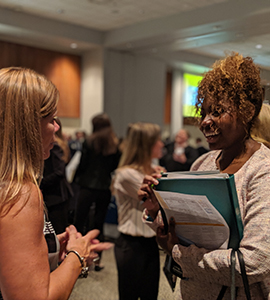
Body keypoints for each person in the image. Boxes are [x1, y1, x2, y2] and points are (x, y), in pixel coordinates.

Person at [139, 53, 270, 299]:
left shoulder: (263, 171)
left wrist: (178, 253)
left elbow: (253, 263)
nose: (205, 122)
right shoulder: (203, 163)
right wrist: (159, 211)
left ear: (248, 111)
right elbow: (178, 232)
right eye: (204, 112)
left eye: (217, 112)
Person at [0, 67, 112, 300]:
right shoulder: (18, 193)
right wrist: (77, 255)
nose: (58, 128)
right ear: (27, 127)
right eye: (52, 119)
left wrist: (46, 247)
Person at [113, 122, 164, 300]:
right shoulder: (126, 174)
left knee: (151, 295)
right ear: (146, 145)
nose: (162, 144)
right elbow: (160, 198)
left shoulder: (151, 171)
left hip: (149, 243)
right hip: (130, 245)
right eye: (157, 140)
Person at [73, 113, 121, 271]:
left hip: (87, 185)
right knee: (98, 224)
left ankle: (75, 256)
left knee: (80, 220)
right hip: (104, 187)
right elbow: (115, 166)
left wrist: (75, 181)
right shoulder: (115, 143)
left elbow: (82, 164)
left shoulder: (89, 141)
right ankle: (98, 260)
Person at [40, 117, 73, 234]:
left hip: (56, 196)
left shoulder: (55, 146)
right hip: (55, 195)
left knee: (57, 232)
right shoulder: (59, 144)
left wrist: (41, 182)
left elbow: (59, 172)